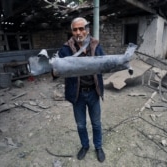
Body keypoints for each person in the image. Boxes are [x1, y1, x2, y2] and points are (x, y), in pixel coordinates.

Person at [57, 17, 105, 162]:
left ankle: (98, 146)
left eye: (81, 28)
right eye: (75, 29)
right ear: (72, 31)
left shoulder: (96, 45)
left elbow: (105, 64)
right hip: (77, 94)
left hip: (93, 92)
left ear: (87, 30)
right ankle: (85, 146)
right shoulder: (65, 49)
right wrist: (53, 70)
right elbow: (57, 69)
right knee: (80, 124)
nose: (78, 32)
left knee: (96, 123)